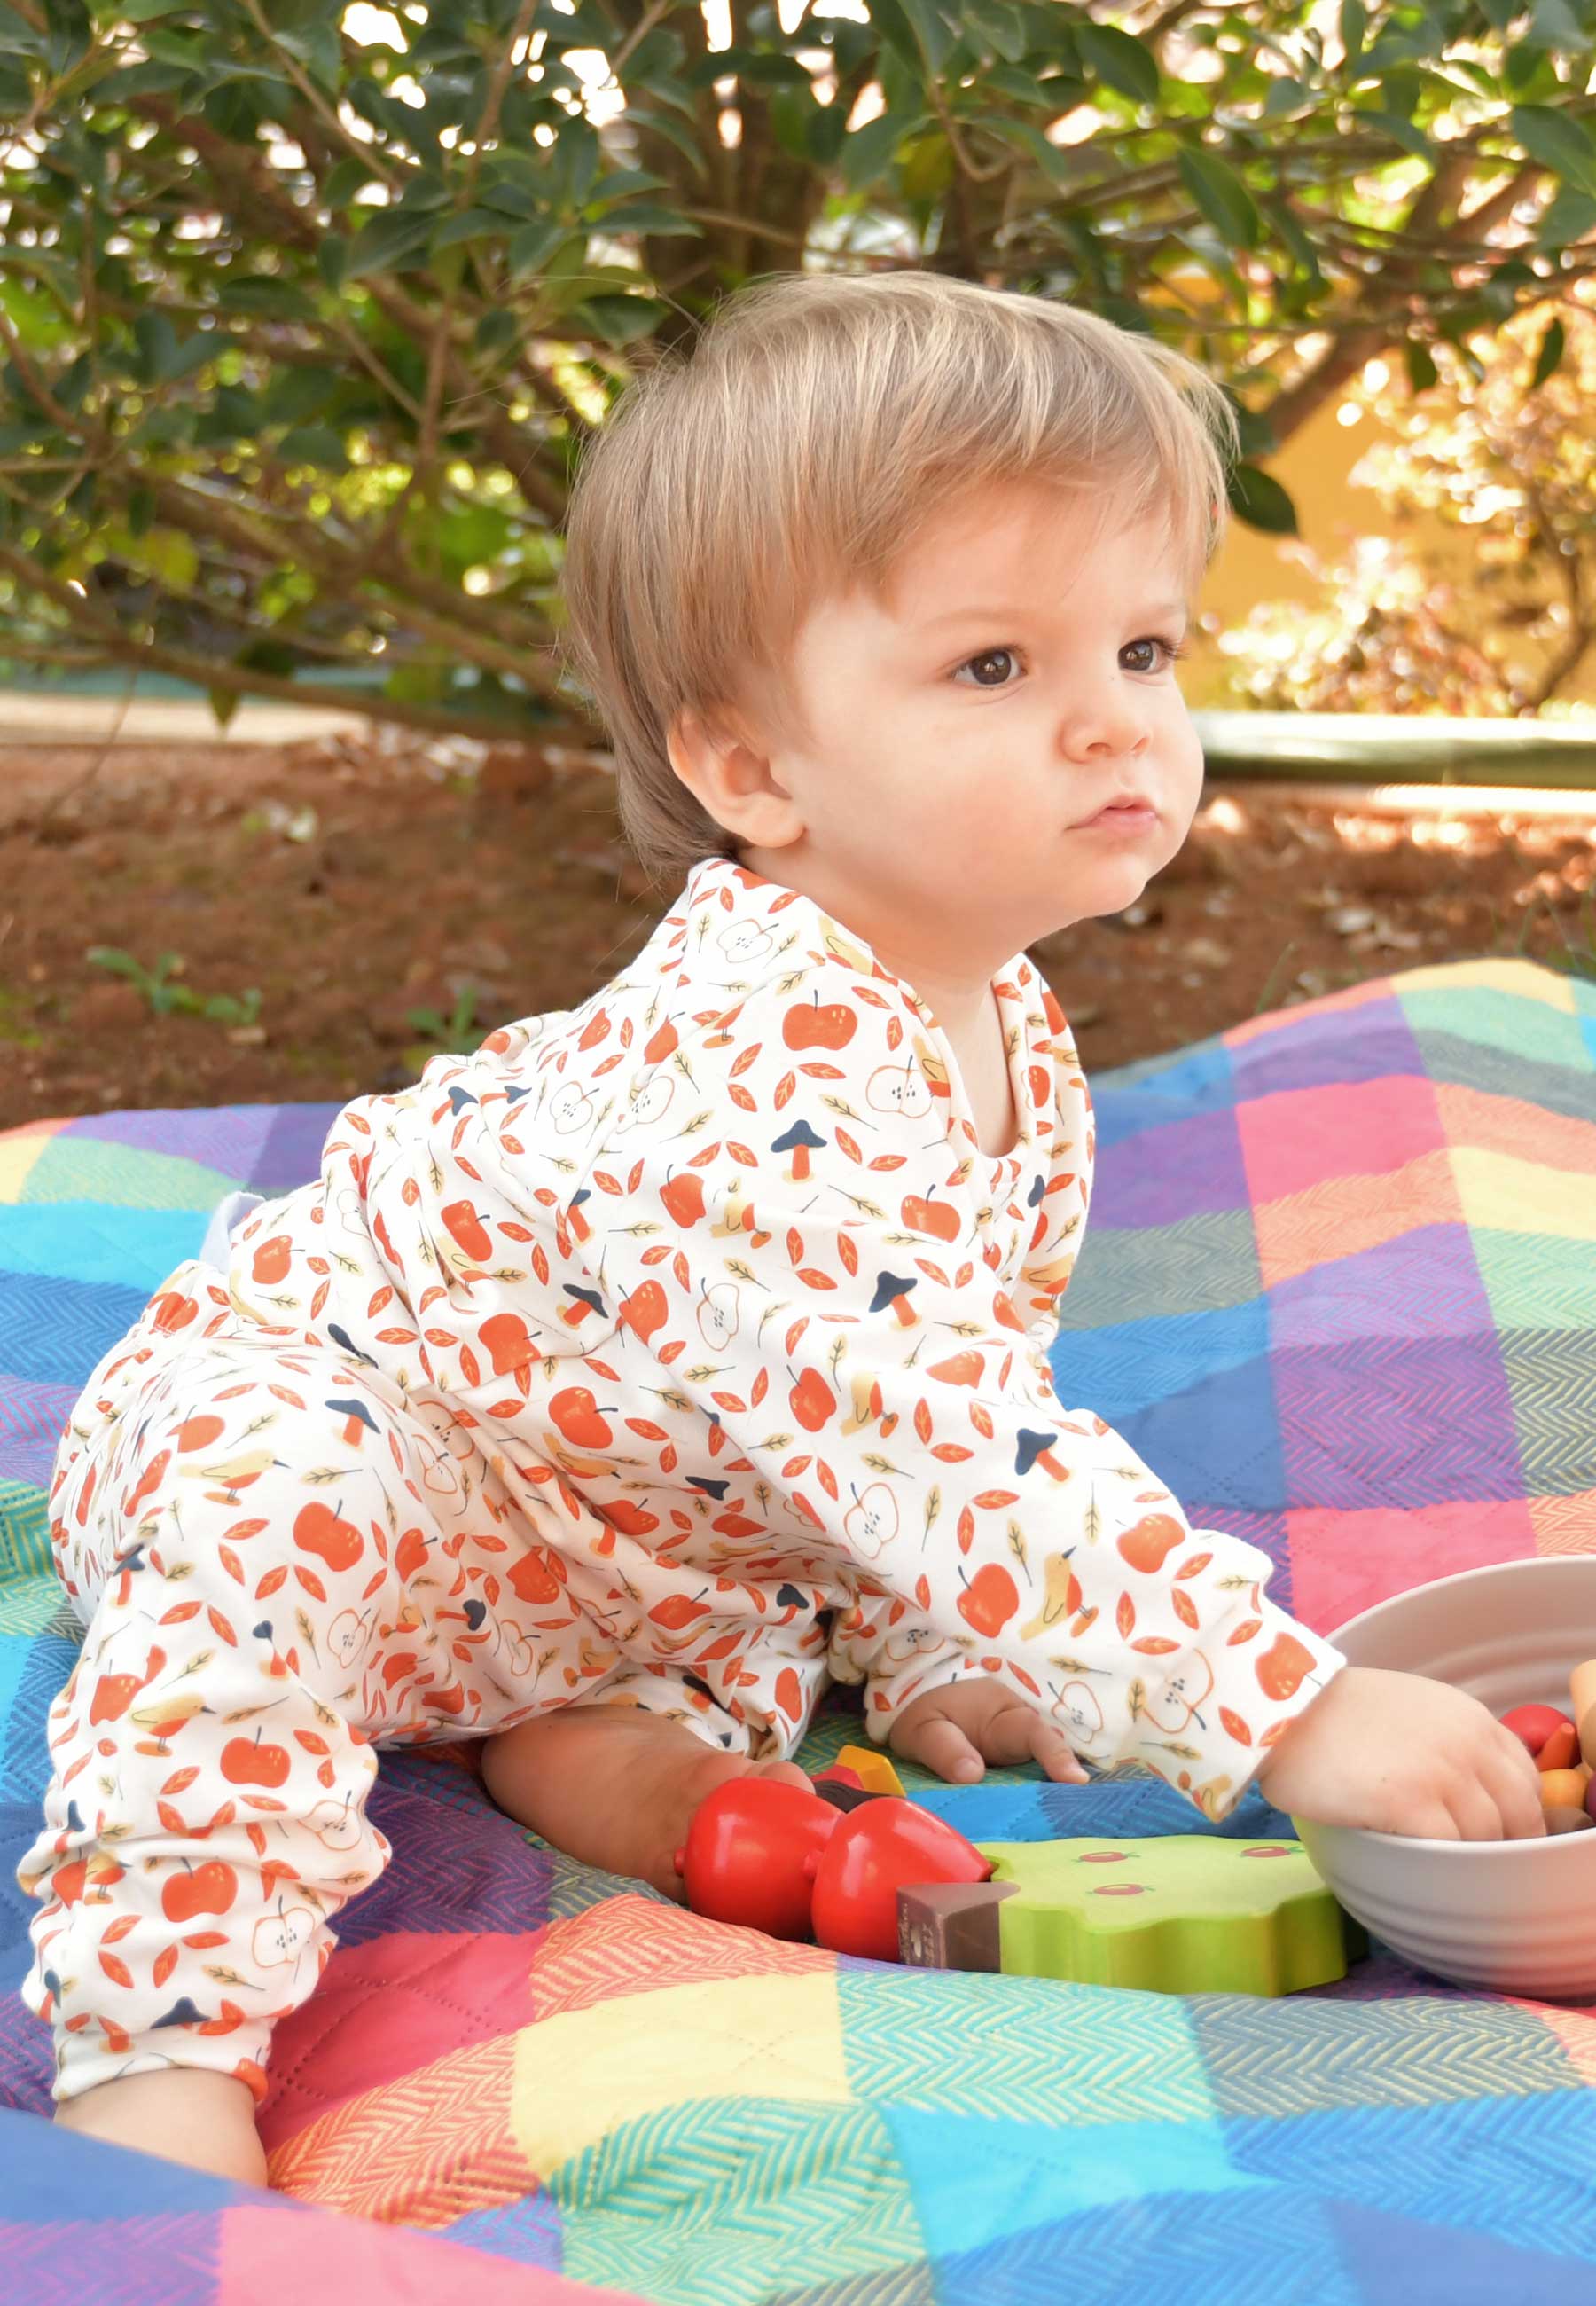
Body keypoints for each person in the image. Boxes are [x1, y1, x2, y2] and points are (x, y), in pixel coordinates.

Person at [17, 271, 1545, 2190]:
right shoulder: (762, 1067)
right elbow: (929, 1435)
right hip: (363, 1419)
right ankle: (151, 2042)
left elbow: (941, 1381)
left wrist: (924, 1633)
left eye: (1147, 649)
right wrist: (1281, 1707)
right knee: (266, 1526)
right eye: (998, 667)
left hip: (615, 1518)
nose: (1113, 727)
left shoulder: (1001, 1019)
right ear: (749, 766)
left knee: (758, 1581)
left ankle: (586, 1730)